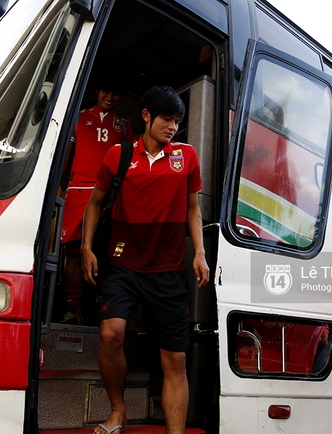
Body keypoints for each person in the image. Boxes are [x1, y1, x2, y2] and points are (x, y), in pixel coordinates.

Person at [81, 85, 209, 434]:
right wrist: (86, 247)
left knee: (175, 359)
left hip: (167, 271)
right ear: (147, 115)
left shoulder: (187, 156)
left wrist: (199, 253)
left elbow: (193, 209)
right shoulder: (118, 155)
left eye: (177, 121)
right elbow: (95, 203)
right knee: (111, 334)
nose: (172, 126)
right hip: (123, 265)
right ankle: (118, 410)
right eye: (166, 118)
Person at [60, 77, 134, 324]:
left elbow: (128, 166)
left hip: (108, 196)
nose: (110, 98)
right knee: (72, 250)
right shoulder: (78, 118)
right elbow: (65, 157)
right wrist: (59, 188)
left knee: (107, 251)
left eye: (115, 94)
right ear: (96, 89)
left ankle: (102, 307)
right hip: (78, 192)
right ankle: (74, 310)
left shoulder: (124, 126)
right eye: (106, 91)